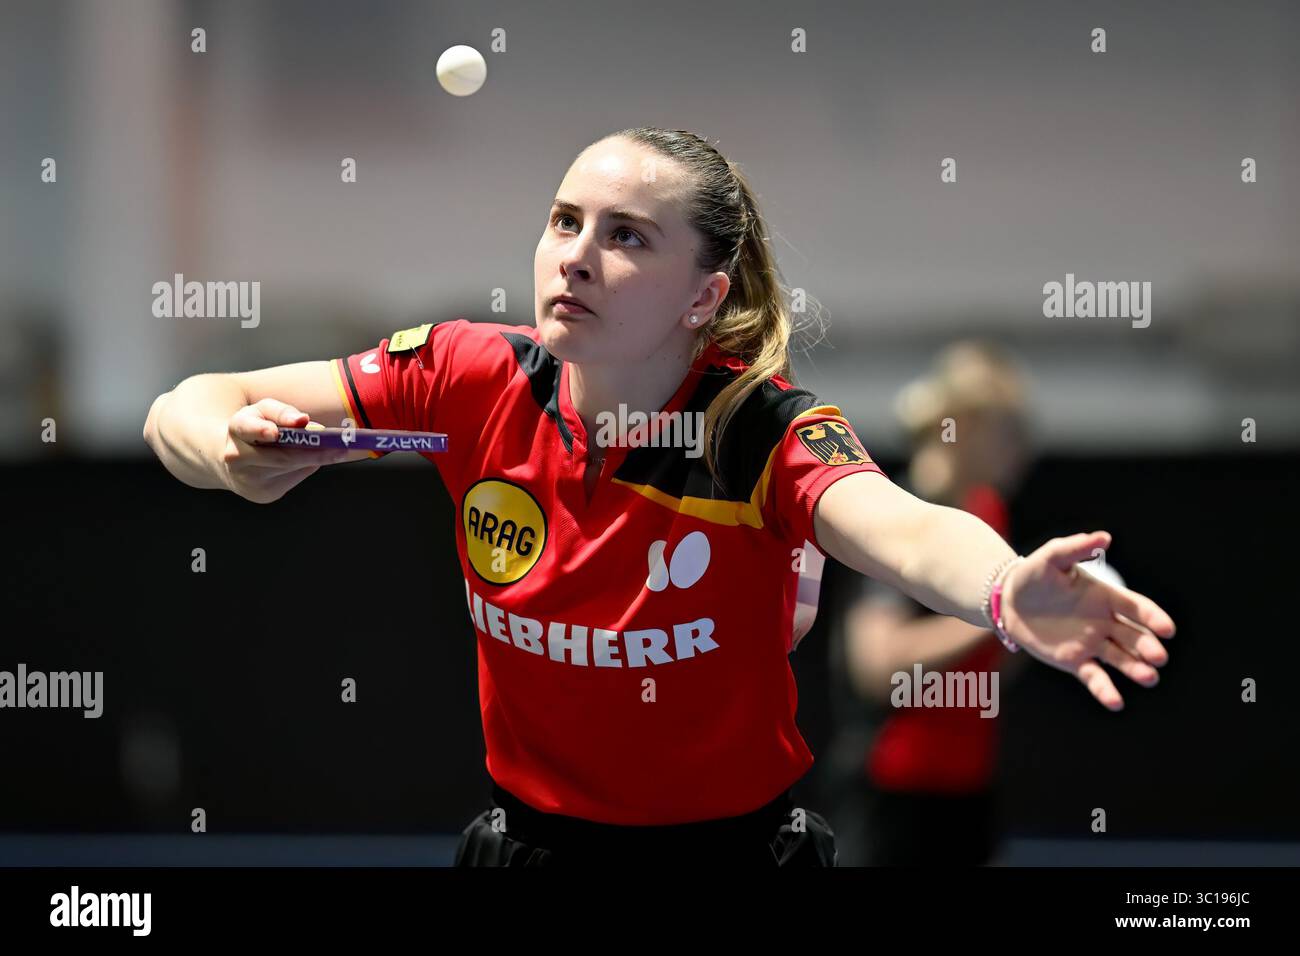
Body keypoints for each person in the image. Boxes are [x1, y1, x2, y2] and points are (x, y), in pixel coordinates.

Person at [142, 127, 1176, 867]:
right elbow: (188, 403)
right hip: (526, 847)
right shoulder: (467, 376)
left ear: (703, 294)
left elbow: (897, 525)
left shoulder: (754, 429)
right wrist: (223, 448)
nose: (576, 256)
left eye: (627, 235)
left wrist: (1002, 588)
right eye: (563, 221)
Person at [823, 341, 1035, 866]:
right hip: (893, 795)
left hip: (968, 791)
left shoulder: (990, 514)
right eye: (1008, 429)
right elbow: (877, 665)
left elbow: (995, 669)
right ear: (960, 424)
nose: (1021, 449)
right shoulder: (902, 518)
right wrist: (1003, 610)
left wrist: (1044, 621)